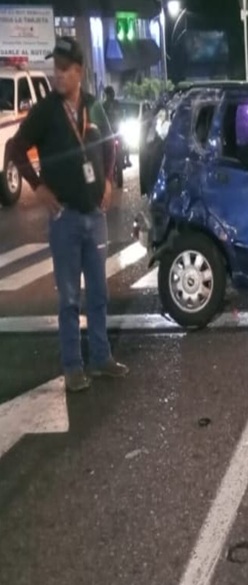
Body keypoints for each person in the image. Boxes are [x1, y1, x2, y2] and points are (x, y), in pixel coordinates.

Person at [7, 37, 129, 392]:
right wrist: (38, 187)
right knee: (69, 298)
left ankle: (102, 358)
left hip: (95, 215)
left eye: (63, 69)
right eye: (55, 68)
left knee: (99, 293)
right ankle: (73, 366)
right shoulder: (45, 111)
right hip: (65, 217)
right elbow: (15, 148)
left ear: (79, 71)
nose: (57, 75)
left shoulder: (92, 106)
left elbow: (110, 144)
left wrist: (108, 181)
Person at [102, 85, 129, 168]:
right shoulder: (104, 105)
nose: (111, 95)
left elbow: (121, 114)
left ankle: (126, 159)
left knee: (125, 143)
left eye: (111, 93)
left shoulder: (116, 103)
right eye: (109, 94)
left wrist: (123, 119)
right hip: (108, 132)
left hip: (117, 130)